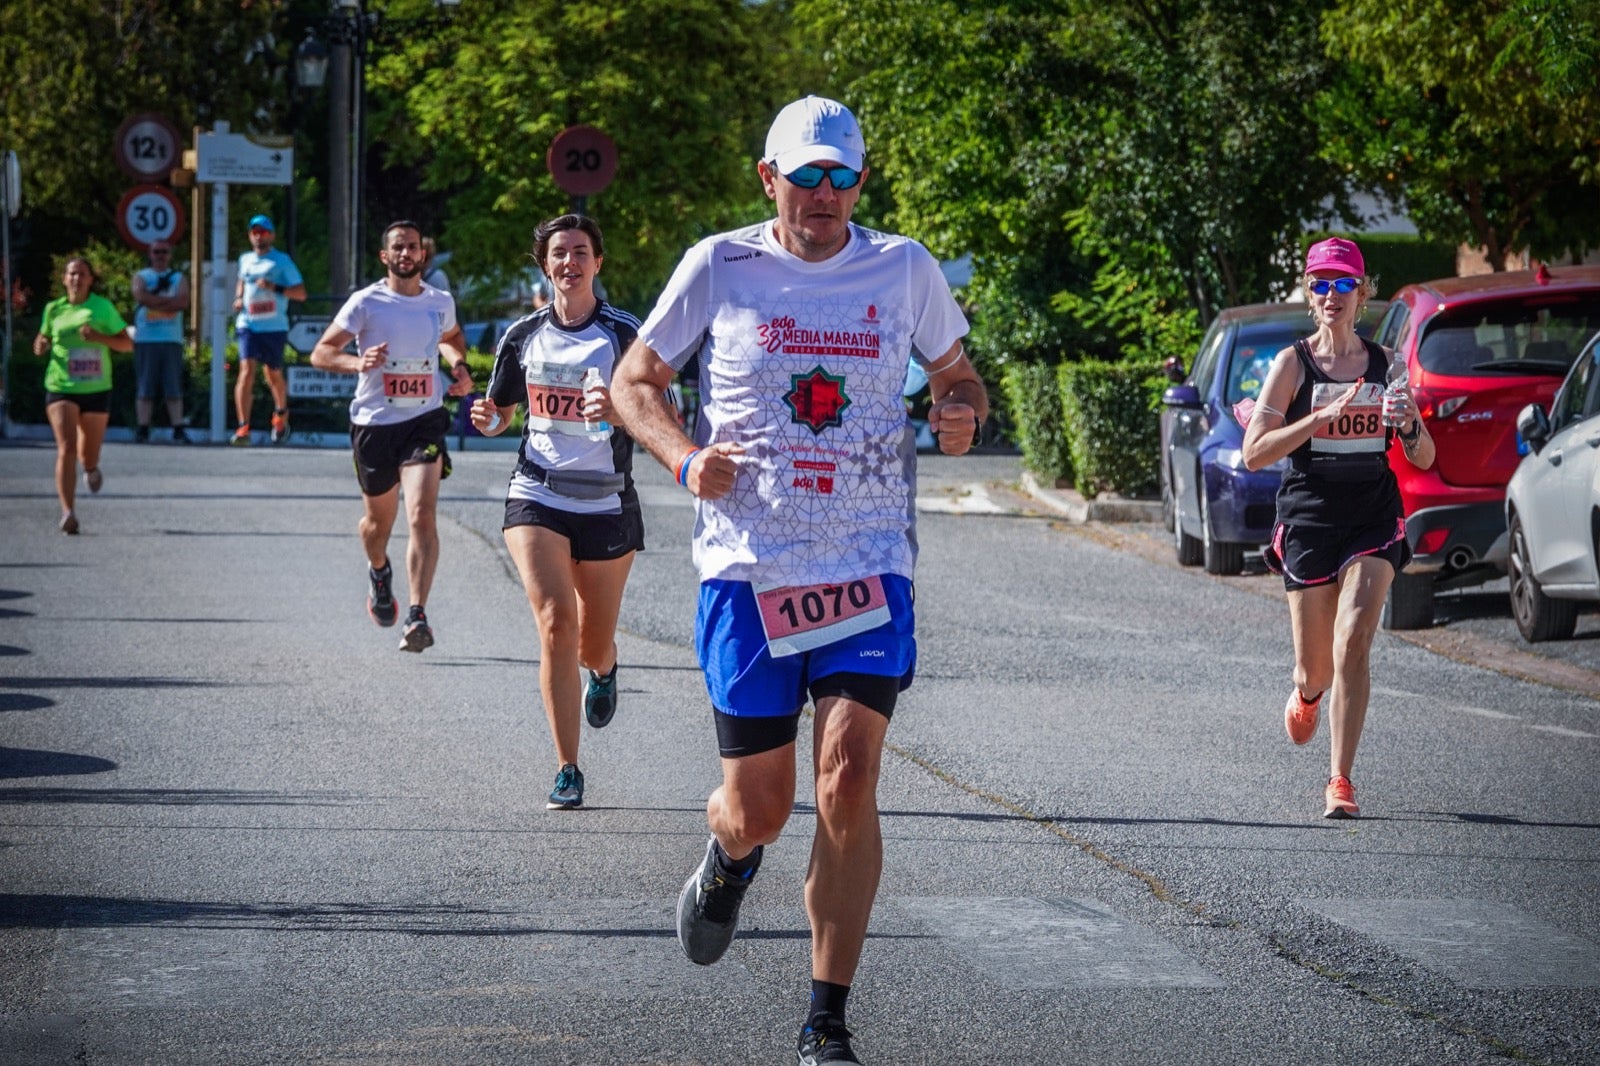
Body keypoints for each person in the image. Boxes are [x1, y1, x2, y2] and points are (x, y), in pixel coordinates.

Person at [611, 95, 987, 1065]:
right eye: (804, 175)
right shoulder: (718, 264)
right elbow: (633, 383)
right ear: (767, 178)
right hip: (748, 568)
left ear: (861, 180)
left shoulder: (903, 266)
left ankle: (826, 1017)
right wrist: (687, 461)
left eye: (841, 176)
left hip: (867, 561)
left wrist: (957, 408)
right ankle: (730, 856)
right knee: (762, 806)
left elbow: (957, 373)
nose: (823, 195)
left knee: (849, 778)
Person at [1242, 237, 1436, 819]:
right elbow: (1255, 454)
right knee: (1316, 666)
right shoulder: (1292, 364)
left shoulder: (1386, 365)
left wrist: (1407, 428)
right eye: (1321, 284)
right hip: (1308, 516)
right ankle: (1306, 693)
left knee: (1355, 638)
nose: (1332, 295)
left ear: (1362, 293)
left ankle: (1340, 780)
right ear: (1309, 293)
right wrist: (1317, 418)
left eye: (1343, 284)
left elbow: (1424, 457)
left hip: (1372, 513)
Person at [469, 214, 643, 811]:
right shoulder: (522, 335)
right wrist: (492, 420)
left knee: (591, 642)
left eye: (580, 252)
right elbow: (501, 408)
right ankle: (567, 765)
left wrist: (618, 412)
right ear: (544, 265)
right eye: (559, 253)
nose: (569, 262)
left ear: (599, 261)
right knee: (553, 622)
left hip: (605, 498)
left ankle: (606, 665)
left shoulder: (623, 333)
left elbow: (657, 411)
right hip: (537, 489)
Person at [310, 221, 475, 652]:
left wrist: (458, 366)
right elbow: (321, 352)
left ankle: (418, 615)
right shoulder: (366, 303)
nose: (406, 253)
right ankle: (379, 570)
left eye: (413, 247)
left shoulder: (440, 301)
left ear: (424, 254)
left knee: (421, 513)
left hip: (424, 419)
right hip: (375, 424)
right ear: (385, 256)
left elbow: (452, 338)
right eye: (398, 247)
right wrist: (357, 363)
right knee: (376, 525)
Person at [32, 257, 133, 534]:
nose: (76, 279)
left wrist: (100, 338)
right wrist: (40, 345)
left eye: (82, 274)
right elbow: (42, 341)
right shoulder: (53, 309)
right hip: (61, 386)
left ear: (90, 279)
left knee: (88, 453)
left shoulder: (102, 308)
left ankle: (90, 467)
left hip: (96, 389)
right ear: (64, 279)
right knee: (66, 447)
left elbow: (126, 344)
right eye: (72, 274)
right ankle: (68, 511)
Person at [231, 214, 307, 445]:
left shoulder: (281, 261)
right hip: (248, 324)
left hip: (274, 327)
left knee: (272, 374)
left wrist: (274, 287)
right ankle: (243, 426)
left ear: (271, 235)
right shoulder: (245, 260)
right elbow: (242, 280)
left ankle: (281, 413)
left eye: (263, 232)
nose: (258, 235)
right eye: (254, 231)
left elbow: (301, 293)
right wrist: (238, 297)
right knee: (246, 370)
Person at [130, 241, 191, 443]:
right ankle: (143, 427)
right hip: (146, 339)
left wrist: (154, 300)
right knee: (145, 385)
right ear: (150, 253)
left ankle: (178, 427)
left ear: (170, 254)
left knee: (173, 386)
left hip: (171, 339)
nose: (160, 255)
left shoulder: (179, 278)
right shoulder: (142, 276)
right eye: (157, 251)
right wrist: (169, 303)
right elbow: (141, 296)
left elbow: (182, 302)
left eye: (164, 251)